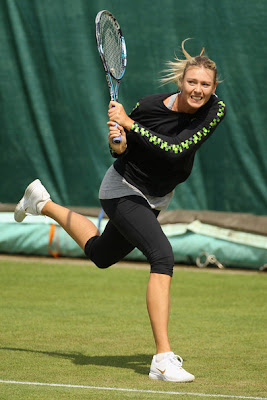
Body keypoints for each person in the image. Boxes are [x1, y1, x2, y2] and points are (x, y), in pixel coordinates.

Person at [14, 39, 226, 383]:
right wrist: (118, 136)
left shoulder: (215, 109)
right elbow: (120, 150)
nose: (198, 89)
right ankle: (161, 359)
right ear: (181, 82)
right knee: (163, 257)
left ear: (213, 87)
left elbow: (175, 151)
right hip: (122, 189)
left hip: (156, 197)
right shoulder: (149, 106)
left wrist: (128, 124)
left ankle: (41, 202)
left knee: (101, 254)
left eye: (205, 84)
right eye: (192, 82)